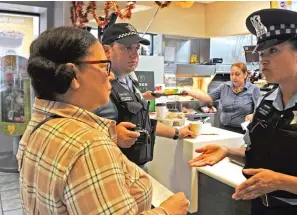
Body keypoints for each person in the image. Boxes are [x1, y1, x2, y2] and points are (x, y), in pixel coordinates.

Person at [189, 9, 297, 215]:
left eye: (273, 51)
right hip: (261, 207)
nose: (263, 60)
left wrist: (279, 182)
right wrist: (228, 151)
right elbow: (266, 156)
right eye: (262, 53)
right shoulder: (266, 102)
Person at [17, 26, 189, 215]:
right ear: (73, 75)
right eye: (103, 65)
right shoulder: (90, 145)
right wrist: (167, 211)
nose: (110, 74)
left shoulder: (38, 126)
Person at [95, 23, 195, 168]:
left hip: (136, 169)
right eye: (127, 47)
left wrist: (176, 132)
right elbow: (77, 130)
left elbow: (143, 122)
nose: (134, 54)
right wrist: (112, 135)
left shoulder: (130, 80)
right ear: (106, 51)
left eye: (137, 48)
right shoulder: (96, 85)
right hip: (111, 171)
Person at [182, 62, 261, 134]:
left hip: (243, 132)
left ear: (245, 74)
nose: (234, 77)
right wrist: (189, 92)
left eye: (237, 74)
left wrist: (253, 115)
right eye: (231, 74)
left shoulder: (254, 89)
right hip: (224, 129)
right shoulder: (224, 87)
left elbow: (260, 112)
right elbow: (207, 97)